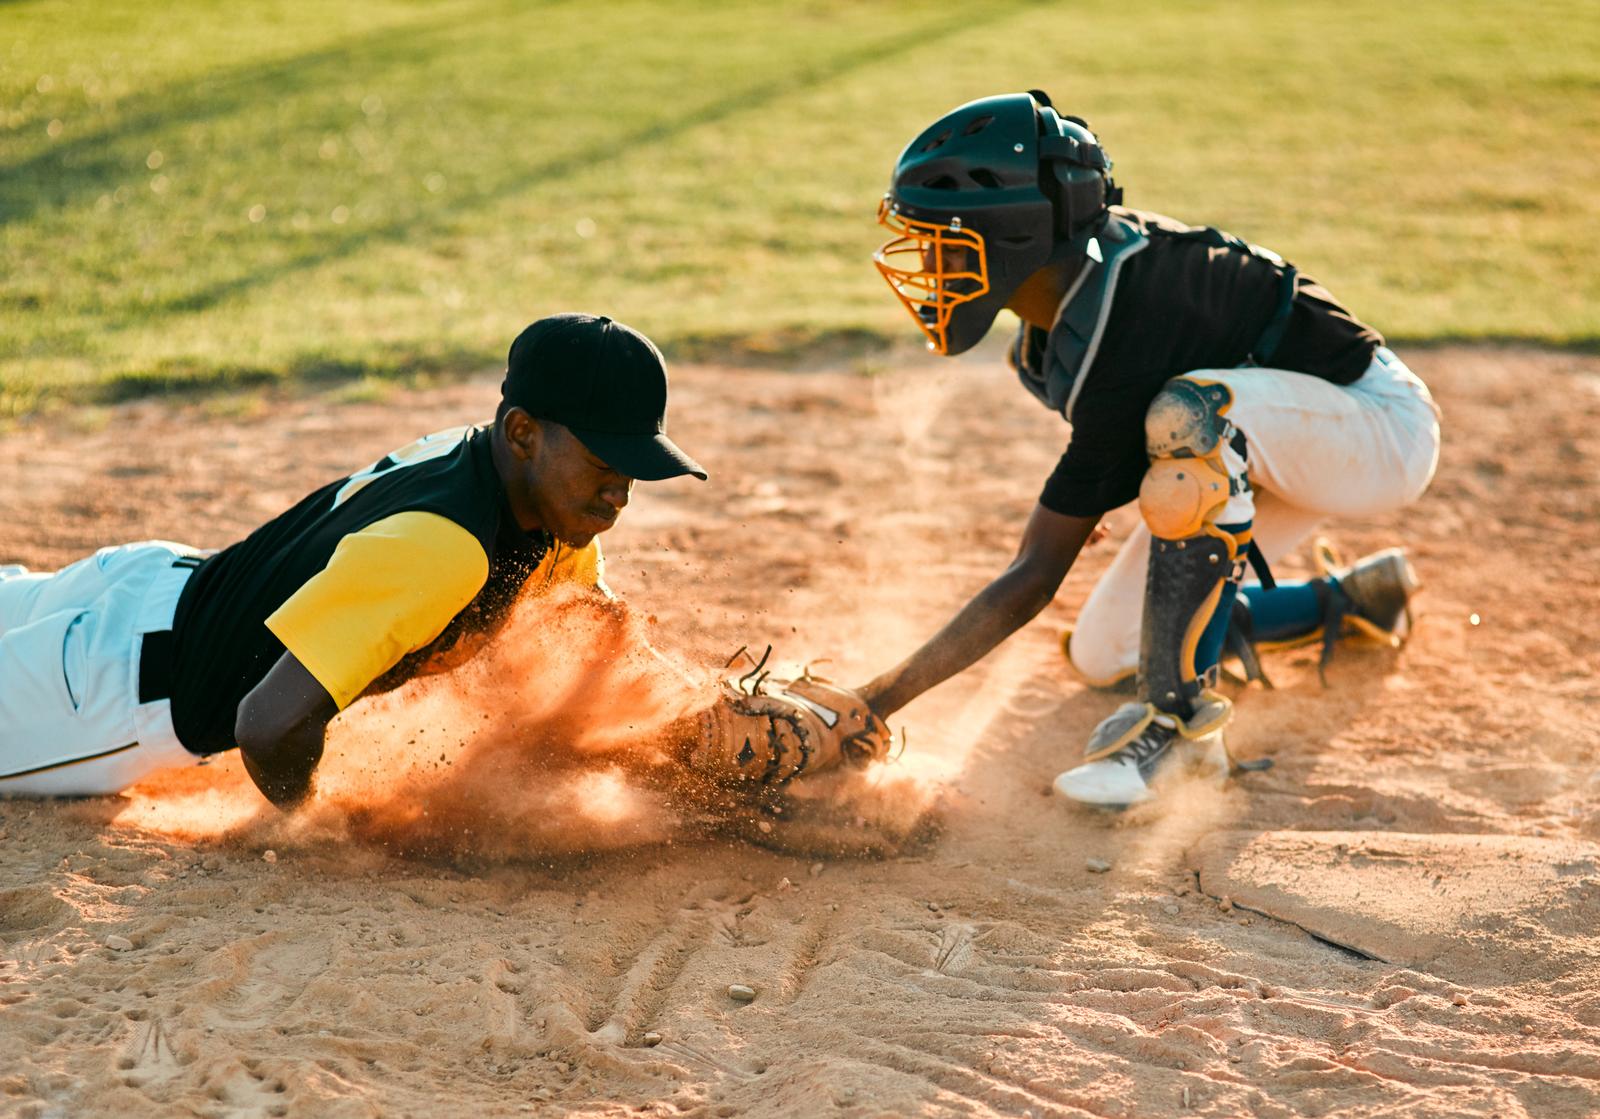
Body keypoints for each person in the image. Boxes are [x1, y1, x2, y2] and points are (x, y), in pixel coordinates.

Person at [860, 91, 1441, 807]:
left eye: (945, 241)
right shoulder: (1059, 326)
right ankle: (1351, 602)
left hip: (1375, 429)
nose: (928, 261)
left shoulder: (1128, 321)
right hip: (1275, 440)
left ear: (1014, 239)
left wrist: (877, 700)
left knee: (1190, 414)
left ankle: (1179, 735)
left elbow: (1035, 574)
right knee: (1104, 651)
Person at [0, 313, 708, 806]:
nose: (620, 489)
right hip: (100, 693)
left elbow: (594, 632)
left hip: (143, 586)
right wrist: (313, 827)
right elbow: (267, 725)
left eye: (635, 465)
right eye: (603, 459)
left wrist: (704, 711)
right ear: (523, 432)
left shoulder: (518, 492)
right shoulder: (450, 547)